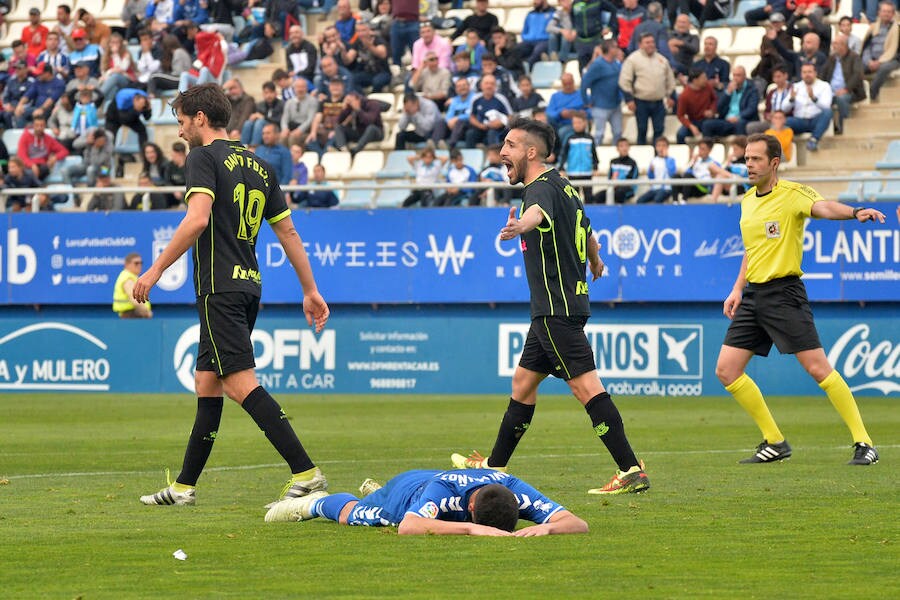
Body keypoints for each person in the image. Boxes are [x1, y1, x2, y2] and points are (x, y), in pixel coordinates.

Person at [135, 83, 331, 507]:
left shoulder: (202, 157)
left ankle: (307, 473)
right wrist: (310, 290)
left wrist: (154, 270)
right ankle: (184, 488)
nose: (182, 129)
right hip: (248, 285)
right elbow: (289, 232)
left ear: (200, 118)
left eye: (183, 120)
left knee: (241, 385)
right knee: (207, 382)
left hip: (218, 288)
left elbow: (197, 220)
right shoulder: (261, 166)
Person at [451, 118, 649, 495]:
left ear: (530, 152)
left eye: (509, 145)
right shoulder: (565, 186)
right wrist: (595, 261)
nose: (501, 153)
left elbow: (535, 215)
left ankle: (630, 469)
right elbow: (587, 230)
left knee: (586, 388)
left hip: (556, 308)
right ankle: (495, 465)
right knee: (523, 384)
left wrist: (518, 227)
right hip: (557, 306)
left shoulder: (538, 190)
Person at [715, 133, 885, 466]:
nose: (748, 164)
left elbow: (823, 207)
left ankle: (864, 443)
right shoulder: (748, 200)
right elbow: (751, 251)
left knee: (818, 369)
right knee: (726, 370)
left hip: (784, 294)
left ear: (774, 163)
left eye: (755, 159)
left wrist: (855, 211)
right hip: (753, 295)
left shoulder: (792, 194)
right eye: (746, 159)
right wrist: (737, 288)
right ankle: (775, 441)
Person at [263, 468, 589, 536]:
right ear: (470, 510)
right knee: (356, 516)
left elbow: (578, 524)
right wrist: (473, 532)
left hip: (430, 486)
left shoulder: (515, 489)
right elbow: (409, 526)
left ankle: (373, 488)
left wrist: (546, 530)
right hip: (411, 491)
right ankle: (315, 502)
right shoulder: (444, 491)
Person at [619, 32, 675, 146]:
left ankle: (657, 157)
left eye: (652, 42)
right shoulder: (632, 60)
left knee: (659, 130)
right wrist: (629, 99)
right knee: (642, 129)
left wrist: (670, 96)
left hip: (659, 102)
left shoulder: (662, 60)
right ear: (640, 44)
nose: (650, 45)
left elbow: (670, 80)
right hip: (640, 101)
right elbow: (624, 80)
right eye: (647, 42)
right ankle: (642, 155)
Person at [821, 34, 866, 135]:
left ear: (843, 45)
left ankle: (844, 127)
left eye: (835, 44)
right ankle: (828, 129)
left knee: (842, 99)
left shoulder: (854, 57)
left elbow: (857, 75)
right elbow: (822, 74)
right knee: (819, 100)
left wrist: (846, 89)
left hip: (851, 91)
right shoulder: (832, 58)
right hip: (831, 92)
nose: (833, 46)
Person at [783, 63, 833, 152]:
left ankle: (813, 140)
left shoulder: (824, 86)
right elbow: (784, 108)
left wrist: (814, 98)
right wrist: (791, 99)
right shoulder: (796, 86)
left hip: (815, 121)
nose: (807, 75)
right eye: (804, 72)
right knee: (783, 121)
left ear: (815, 73)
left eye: (809, 72)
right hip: (799, 121)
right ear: (801, 74)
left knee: (827, 112)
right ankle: (784, 149)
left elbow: (826, 106)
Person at [860, 2, 899, 104]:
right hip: (871, 59)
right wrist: (868, 61)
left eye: (889, 12)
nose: (886, 14)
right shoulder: (873, 28)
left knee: (884, 68)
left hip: (891, 59)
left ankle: (872, 94)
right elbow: (866, 48)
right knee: (856, 67)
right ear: (879, 13)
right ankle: (857, 94)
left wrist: (880, 62)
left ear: (893, 14)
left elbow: (895, 51)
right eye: (884, 11)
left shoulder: (897, 29)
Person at [675, 69, 717, 144]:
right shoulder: (684, 95)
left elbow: (714, 99)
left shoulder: (707, 86)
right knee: (680, 134)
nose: (706, 80)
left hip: (708, 120)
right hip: (693, 121)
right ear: (695, 80)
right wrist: (691, 126)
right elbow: (680, 115)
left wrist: (711, 110)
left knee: (708, 126)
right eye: (703, 78)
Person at [637, 136, 677, 204]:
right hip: (655, 188)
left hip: (667, 189)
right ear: (656, 147)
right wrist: (651, 171)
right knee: (640, 201)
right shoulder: (653, 160)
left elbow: (672, 173)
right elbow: (651, 177)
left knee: (657, 199)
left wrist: (666, 158)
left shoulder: (671, 160)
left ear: (667, 147)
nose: (661, 148)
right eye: (659, 146)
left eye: (663, 146)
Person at [113, 253, 153, 318]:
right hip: (132, 315)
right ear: (127, 264)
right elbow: (134, 300)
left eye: (141, 263)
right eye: (136, 263)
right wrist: (147, 313)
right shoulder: (127, 278)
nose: (139, 265)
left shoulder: (132, 277)